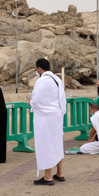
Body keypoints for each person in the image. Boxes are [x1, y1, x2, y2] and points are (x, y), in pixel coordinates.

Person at [30, 58, 67, 186]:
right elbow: (62, 99)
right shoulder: (57, 79)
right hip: (56, 116)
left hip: (45, 118)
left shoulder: (41, 81)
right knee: (57, 144)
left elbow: (36, 99)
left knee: (46, 144)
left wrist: (31, 103)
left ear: (39, 68)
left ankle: (48, 177)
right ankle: (60, 173)